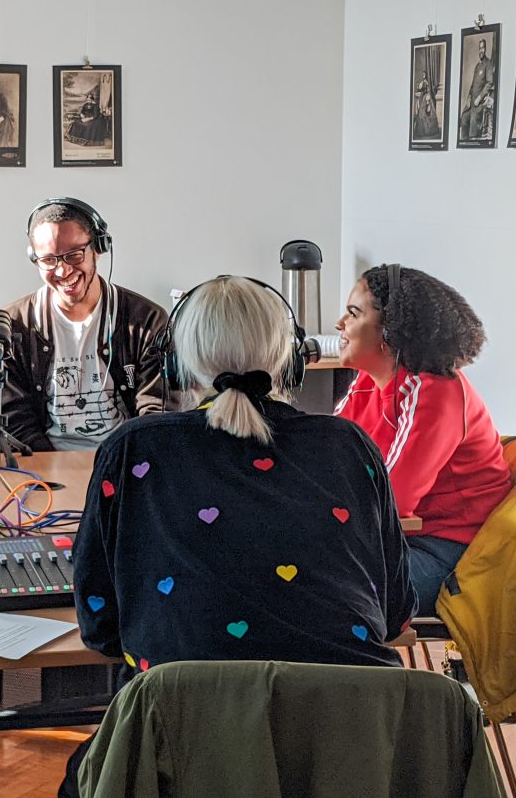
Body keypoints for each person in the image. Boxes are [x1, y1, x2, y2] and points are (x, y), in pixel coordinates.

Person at [66, 276, 416, 796]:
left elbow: (100, 626)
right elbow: (393, 613)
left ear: (177, 367)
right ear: (292, 361)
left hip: (180, 757)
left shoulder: (134, 448)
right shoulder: (350, 447)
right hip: (352, 759)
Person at [334, 264, 511, 616]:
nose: (340, 323)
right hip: (399, 541)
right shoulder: (367, 381)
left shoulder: (437, 392)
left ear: (390, 330)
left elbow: (391, 500)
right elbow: (325, 456)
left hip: (451, 557)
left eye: (353, 313)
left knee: (321, 584)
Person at [0, 198, 169, 452]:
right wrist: (53, 475)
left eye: (74, 255)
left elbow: (157, 415)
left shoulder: (147, 321)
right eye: (48, 260)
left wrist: (120, 466)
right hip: (45, 466)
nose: (63, 270)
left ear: (98, 248)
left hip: (125, 461)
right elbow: (16, 422)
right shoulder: (11, 327)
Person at [459, 38, 494, 140]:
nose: (481, 51)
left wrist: (480, 97)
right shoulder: (477, 66)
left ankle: (472, 145)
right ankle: (463, 145)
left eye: (483, 48)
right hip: (472, 103)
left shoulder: (488, 64)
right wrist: (469, 97)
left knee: (473, 124)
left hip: (480, 102)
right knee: (464, 118)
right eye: (479, 48)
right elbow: (473, 85)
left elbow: (489, 83)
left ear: (485, 49)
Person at [413, 70, 440, 140]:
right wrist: (419, 86)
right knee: (421, 112)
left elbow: (428, 90)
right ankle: (422, 130)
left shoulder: (427, 82)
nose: (423, 76)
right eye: (423, 75)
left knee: (428, 111)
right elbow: (418, 88)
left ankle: (428, 130)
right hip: (422, 97)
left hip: (426, 97)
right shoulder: (423, 82)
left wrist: (428, 98)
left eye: (424, 75)